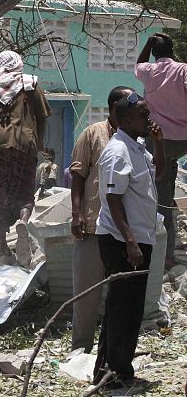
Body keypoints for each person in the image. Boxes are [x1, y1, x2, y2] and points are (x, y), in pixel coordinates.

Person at [93, 92, 165, 388]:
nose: (149, 120)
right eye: (143, 116)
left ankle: (108, 371)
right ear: (124, 120)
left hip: (137, 238)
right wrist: (130, 241)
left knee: (124, 307)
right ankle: (118, 375)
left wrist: (159, 144)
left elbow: (158, 173)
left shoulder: (137, 148)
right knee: (125, 309)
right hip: (122, 240)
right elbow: (113, 198)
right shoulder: (117, 151)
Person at [69, 85, 135, 353]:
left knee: (119, 295)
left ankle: (111, 349)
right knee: (86, 291)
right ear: (114, 108)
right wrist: (76, 214)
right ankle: (81, 346)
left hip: (123, 230)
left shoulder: (135, 140)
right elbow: (78, 176)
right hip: (94, 225)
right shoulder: (92, 134)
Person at [0, 50, 51, 256]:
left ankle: (3, 243)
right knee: (24, 190)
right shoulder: (31, 83)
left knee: (3, 191)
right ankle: (22, 221)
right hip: (25, 144)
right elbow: (43, 115)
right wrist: (38, 143)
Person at [135, 32, 187, 269]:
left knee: (160, 198)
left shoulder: (149, 72)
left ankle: (164, 254)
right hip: (183, 139)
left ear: (154, 54)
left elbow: (139, 64)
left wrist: (147, 44)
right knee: (167, 179)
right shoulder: (183, 70)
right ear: (173, 52)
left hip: (159, 141)